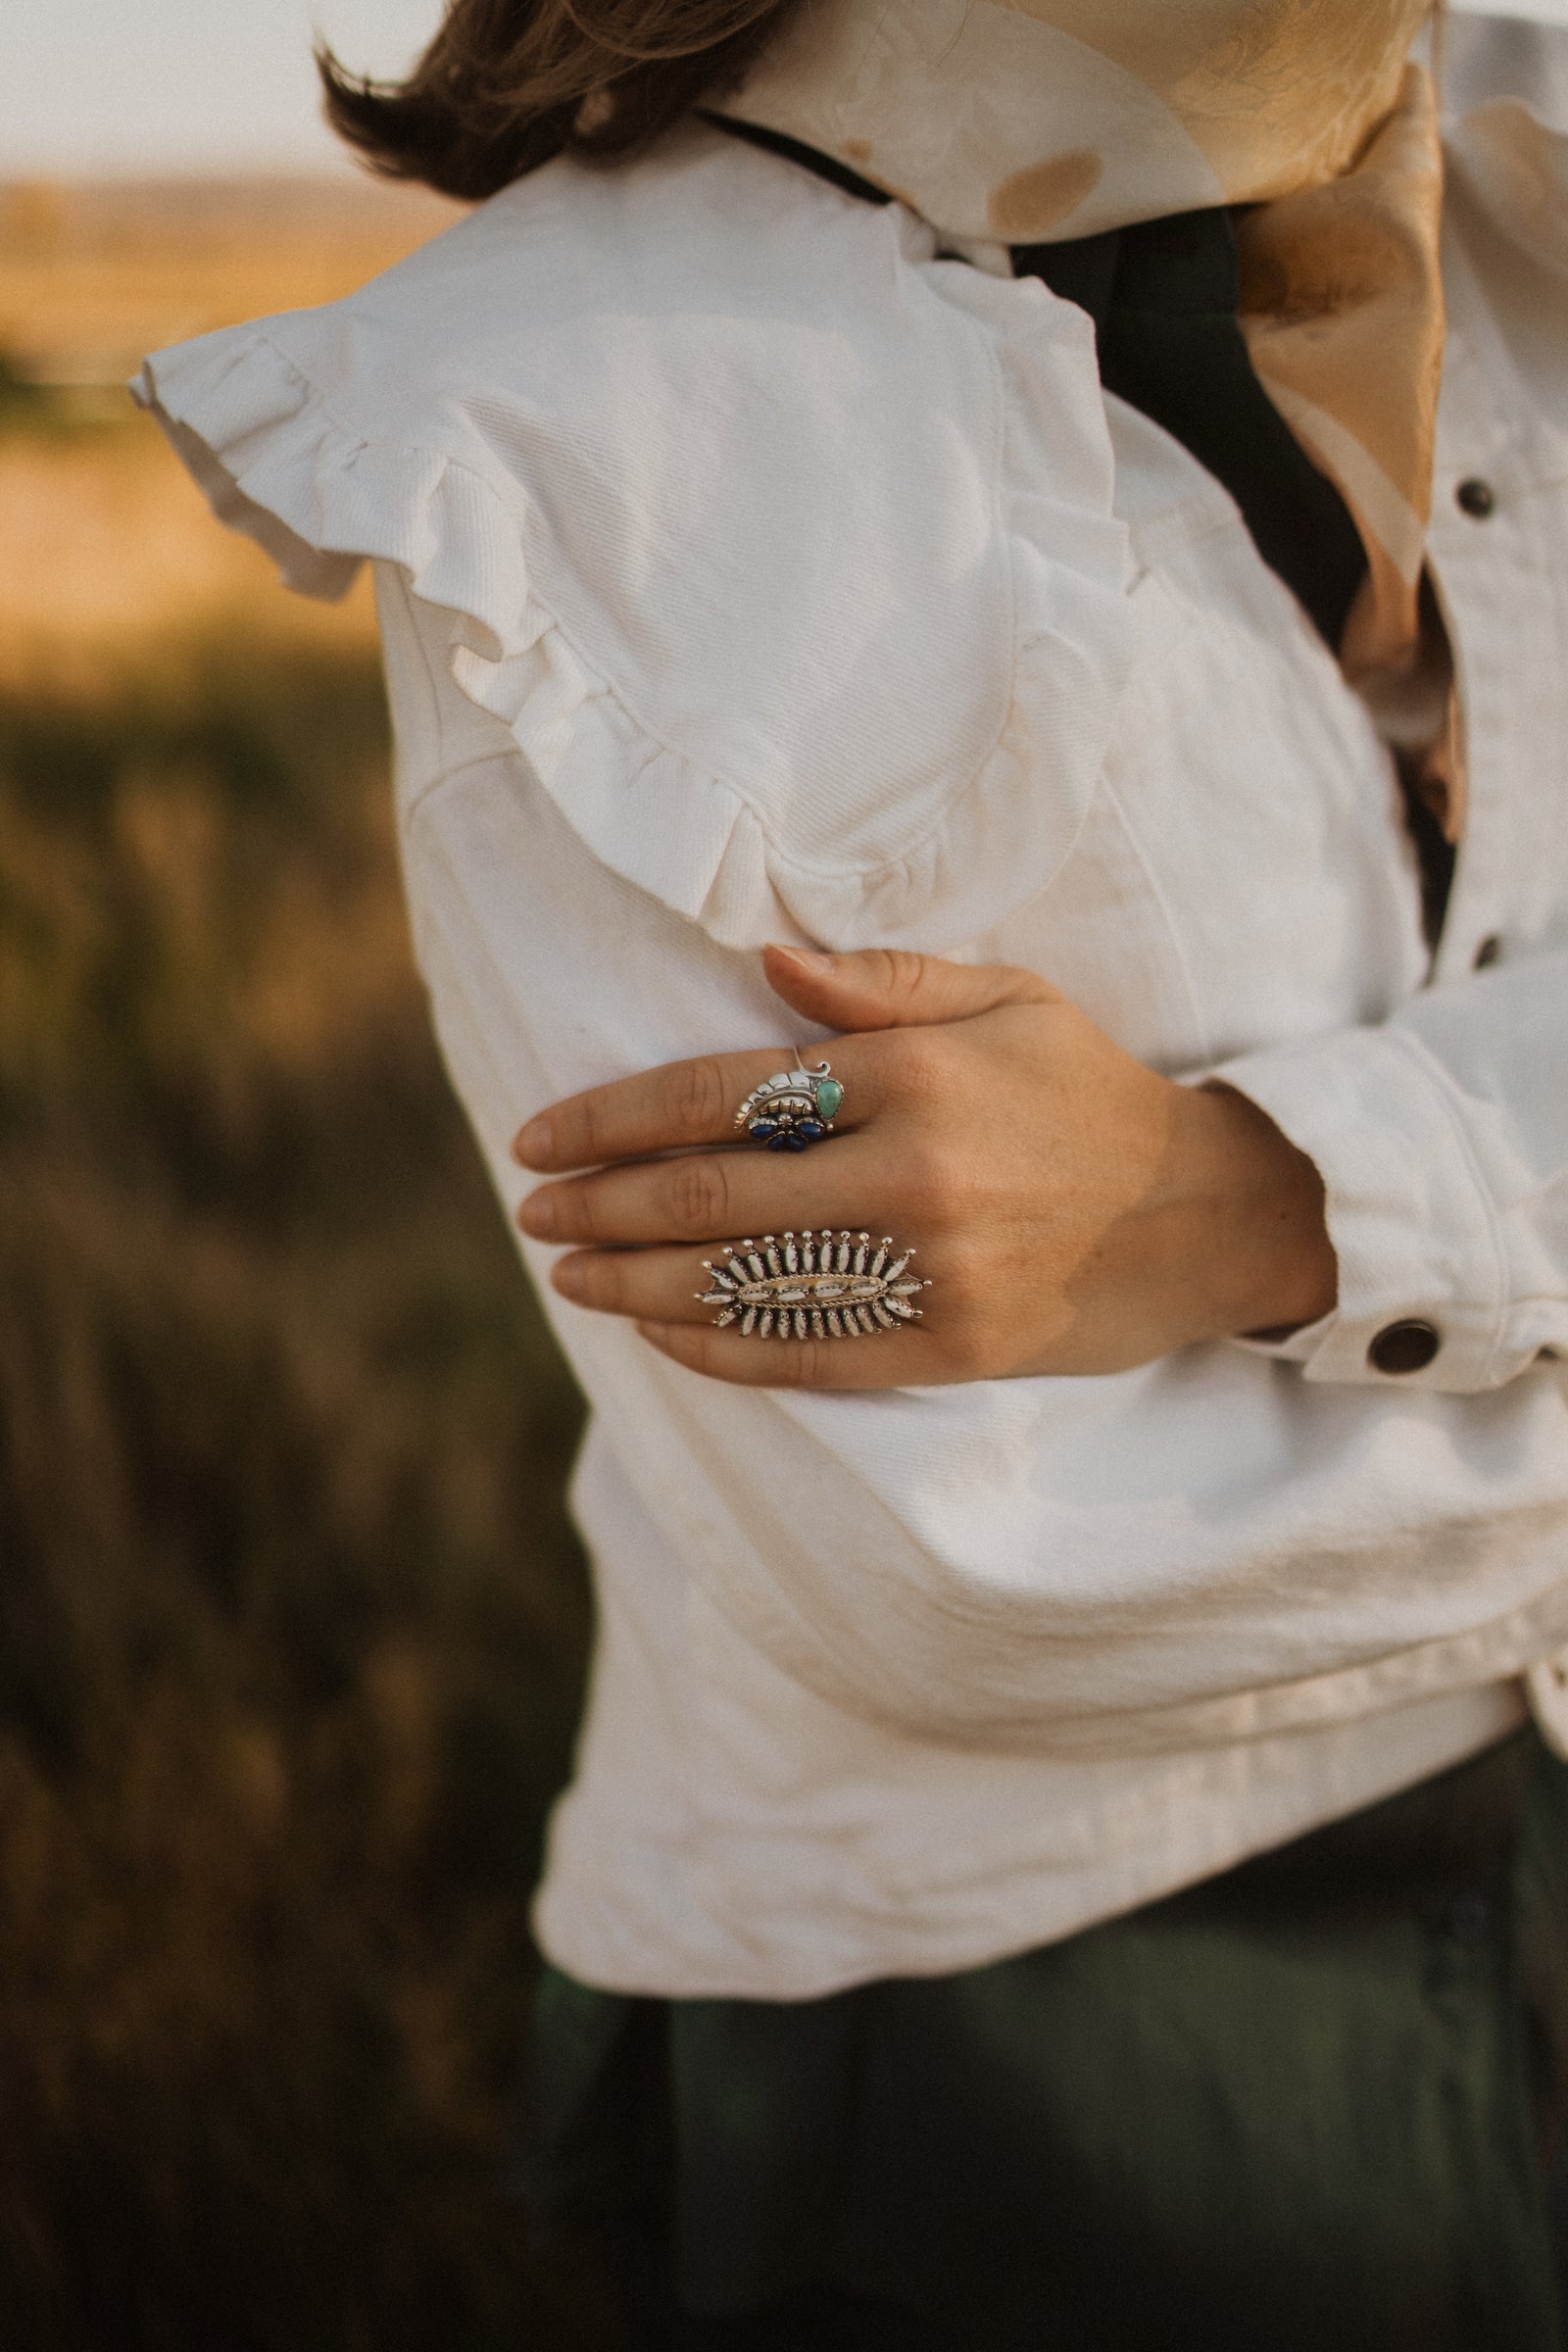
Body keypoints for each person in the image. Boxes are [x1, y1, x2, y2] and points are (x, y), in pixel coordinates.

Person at [136, 2, 1568, 2342]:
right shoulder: (578, 429)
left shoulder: (1509, 155)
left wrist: (1240, 1196)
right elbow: (954, 1569)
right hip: (1016, 2013)